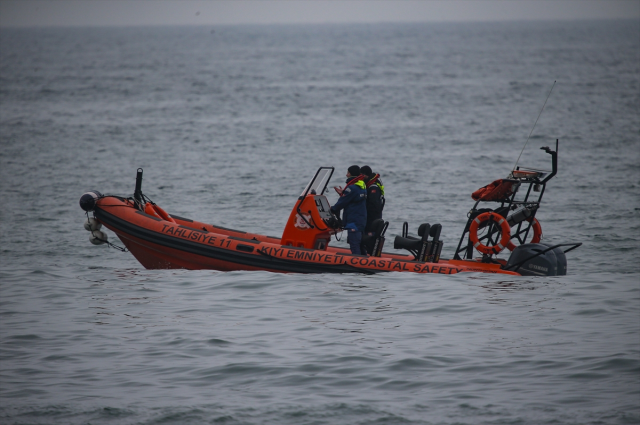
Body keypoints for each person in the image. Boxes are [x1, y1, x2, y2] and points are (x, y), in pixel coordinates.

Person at [331, 165, 367, 255]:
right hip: (361, 220)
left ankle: (358, 266)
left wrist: (331, 210)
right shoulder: (362, 187)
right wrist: (344, 193)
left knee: (354, 245)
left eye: (348, 173)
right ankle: (364, 262)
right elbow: (351, 199)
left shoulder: (351, 189)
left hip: (353, 221)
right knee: (361, 245)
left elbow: (341, 203)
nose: (346, 175)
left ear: (351, 174)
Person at [360, 165, 385, 233]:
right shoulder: (368, 185)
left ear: (365, 175)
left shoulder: (373, 187)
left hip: (372, 219)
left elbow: (373, 204)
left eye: (361, 175)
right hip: (369, 218)